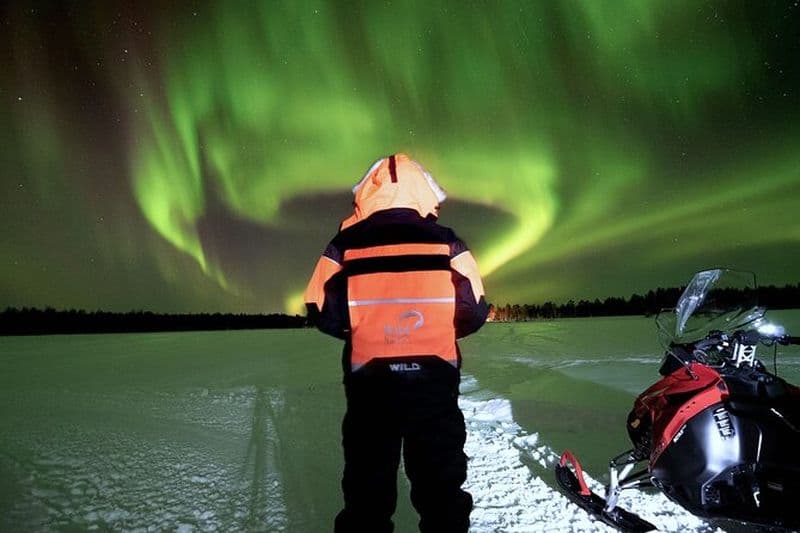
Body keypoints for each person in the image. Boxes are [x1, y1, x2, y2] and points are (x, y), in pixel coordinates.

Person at [304, 153, 488, 533]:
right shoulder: (448, 244)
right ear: (423, 190)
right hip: (435, 385)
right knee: (442, 490)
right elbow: (475, 310)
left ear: (368, 193)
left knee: (366, 493)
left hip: (371, 387)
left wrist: (365, 329)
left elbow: (320, 308)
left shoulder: (344, 245)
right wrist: (435, 330)